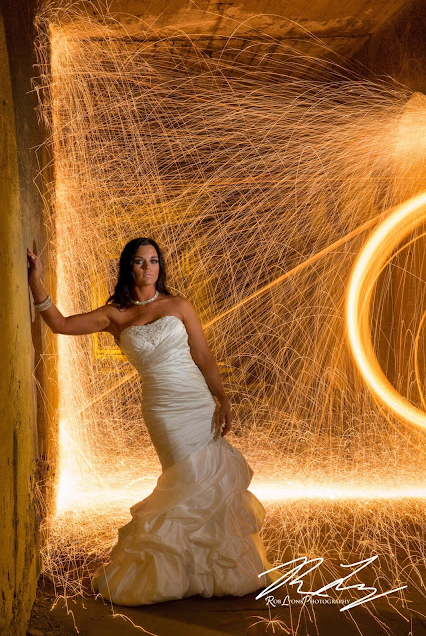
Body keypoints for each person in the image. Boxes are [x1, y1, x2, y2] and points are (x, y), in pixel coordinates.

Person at [27, 237, 281, 606]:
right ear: (127, 267)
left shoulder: (179, 305)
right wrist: (36, 279)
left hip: (195, 400)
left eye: (154, 261)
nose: (148, 268)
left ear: (161, 266)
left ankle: (212, 568)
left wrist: (222, 397)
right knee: (185, 479)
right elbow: (61, 324)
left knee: (208, 475)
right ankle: (178, 570)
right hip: (162, 408)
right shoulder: (115, 314)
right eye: (139, 262)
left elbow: (203, 354)